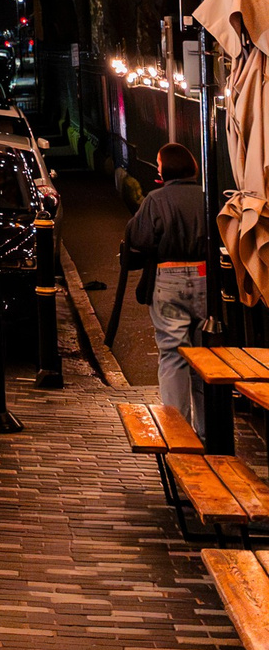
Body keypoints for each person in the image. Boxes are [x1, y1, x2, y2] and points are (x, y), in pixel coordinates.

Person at [127, 139, 212, 435]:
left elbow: (139, 238)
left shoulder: (156, 199)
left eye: (159, 165)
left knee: (173, 354)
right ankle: (207, 431)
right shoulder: (207, 198)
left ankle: (179, 432)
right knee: (205, 358)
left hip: (168, 278)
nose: (158, 169)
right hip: (205, 278)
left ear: (166, 170)